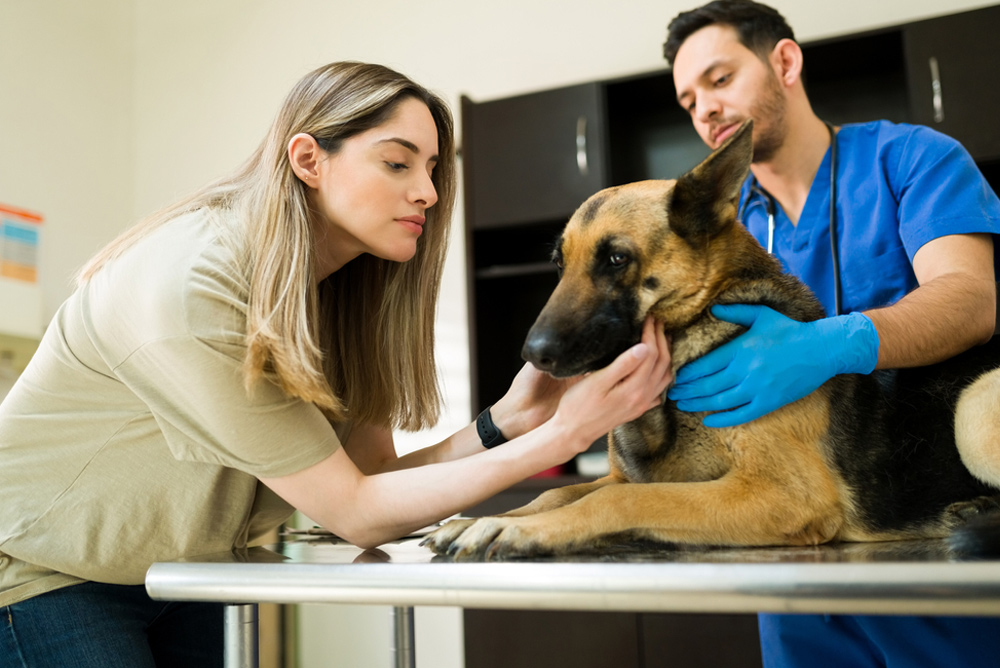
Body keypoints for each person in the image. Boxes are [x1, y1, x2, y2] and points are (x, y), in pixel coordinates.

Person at [0, 61, 673, 667]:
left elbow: (372, 480)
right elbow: (356, 513)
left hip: (177, 569)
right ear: (308, 159)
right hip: (41, 572)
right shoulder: (190, 286)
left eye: (434, 169)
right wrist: (565, 436)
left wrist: (508, 422)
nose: (430, 194)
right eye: (398, 163)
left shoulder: (344, 294)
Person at [662, 2, 1000, 667]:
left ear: (784, 62)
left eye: (720, 78)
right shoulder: (719, 233)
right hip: (788, 550)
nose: (704, 108)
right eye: (688, 98)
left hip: (924, 542)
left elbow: (969, 300)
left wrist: (829, 344)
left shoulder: (912, 160)